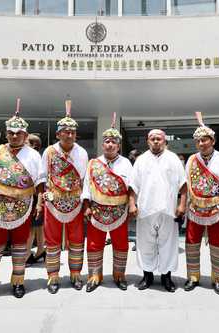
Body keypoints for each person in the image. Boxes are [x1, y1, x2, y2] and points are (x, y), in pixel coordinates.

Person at [0, 99, 42, 305]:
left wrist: (39, 204)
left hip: (23, 206)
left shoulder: (32, 155)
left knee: (21, 246)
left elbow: (40, 181)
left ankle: (18, 282)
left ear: (25, 134)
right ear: (6, 133)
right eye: (11, 132)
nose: (14, 135)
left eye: (18, 132)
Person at [38, 100, 88, 294]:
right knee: (51, 240)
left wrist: (84, 204)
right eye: (66, 132)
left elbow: (84, 179)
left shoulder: (81, 152)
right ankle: (53, 276)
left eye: (73, 132)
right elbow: (42, 177)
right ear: (58, 134)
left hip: (75, 202)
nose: (69, 135)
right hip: (53, 201)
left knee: (76, 239)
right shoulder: (49, 152)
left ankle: (76, 274)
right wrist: (41, 202)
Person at [129, 129, 186, 292]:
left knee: (168, 245)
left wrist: (182, 205)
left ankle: (166, 277)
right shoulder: (141, 160)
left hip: (168, 210)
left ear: (164, 141)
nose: (156, 141)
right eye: (152, 139)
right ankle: (147, 276)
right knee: (145, 245)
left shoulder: (173, 159)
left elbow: (183, 185)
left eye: (159, 139)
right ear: (148, 141)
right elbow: (133, 185)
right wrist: (132, 205)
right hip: (145, 210)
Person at [82, 113, 133, 292]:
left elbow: (131, 186)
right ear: (102, 144)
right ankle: (94, 276)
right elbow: (87, 186)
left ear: (118, 146)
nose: (110, 144)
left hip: (120, 210)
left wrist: (132, 205)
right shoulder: (93, 163)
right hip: (97, 210)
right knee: (95, 243)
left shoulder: (126, 163)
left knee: (121, 243)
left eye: (114, 142)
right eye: (107, 142)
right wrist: (86, 206)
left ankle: (119, 275)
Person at [184, 112, 219, 295]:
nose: (202, 143)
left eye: (205, 140)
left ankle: (217, 278)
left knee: (218, 243)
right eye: (199, 141)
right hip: (195, 208)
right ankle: (193, 276)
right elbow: (187, 182)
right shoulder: (191, 160)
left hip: (217, 207)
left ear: (213, 140)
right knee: (191, 242)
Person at [25, 134, 46, 265]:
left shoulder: (32, 158)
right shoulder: (38, 158)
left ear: (34, 146)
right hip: (38, 196)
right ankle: (40, 250)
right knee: (38, 225)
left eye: (26, 142)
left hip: (33, 196)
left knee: (31, 227)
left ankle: (27, 254)